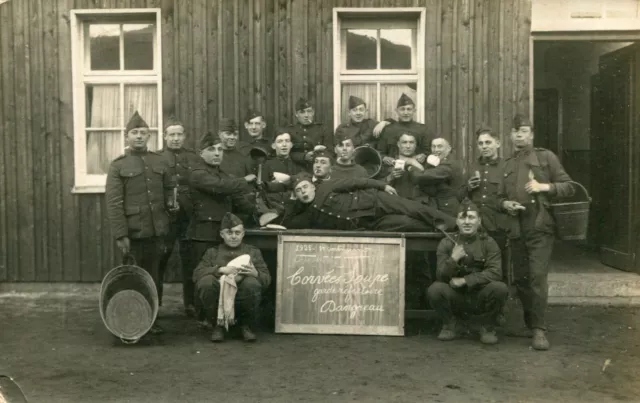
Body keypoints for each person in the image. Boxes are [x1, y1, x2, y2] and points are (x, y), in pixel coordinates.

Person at [498, 114, 574, 351]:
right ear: (510, 135)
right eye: (515, 131)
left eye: (523, 130)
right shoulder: (507, 163)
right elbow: (500, 197)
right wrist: (505, 205)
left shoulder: (545, 157)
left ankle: (539, 330)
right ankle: (530, 323)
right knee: (520, 279)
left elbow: (569, 186)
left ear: (531, 134)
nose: (519, 135)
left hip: (539, 226)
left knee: (537, 277)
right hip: (516, 227)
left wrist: (545, 187)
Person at [105, 111, 177, 335]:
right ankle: (131, 320)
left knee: (155, 275)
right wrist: (121, 235)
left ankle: (152, 317)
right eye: (134, 133)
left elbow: (169, 193)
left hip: (158, 230)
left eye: (143, 133)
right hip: (134, 233)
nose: (139, 136)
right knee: (133, 276)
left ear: (149, 136)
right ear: (126, 137)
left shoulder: (159, 161)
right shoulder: (118, 166)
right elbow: (114, 203)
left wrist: (171, 211)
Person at [185, 135, 263, 322]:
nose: (217, 153)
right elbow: (222, 187)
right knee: (204, 277)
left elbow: (238, 200)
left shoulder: (224, 176)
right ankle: (203, 318)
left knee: (226, 276)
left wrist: (261, 212)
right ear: (201, 153)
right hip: (202, 234)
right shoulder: (198, 174)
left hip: (223, 234)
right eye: (212, 149)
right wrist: (245, 180)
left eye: (220, 150)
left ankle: (224, 316)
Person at [279, 152, 457, 232]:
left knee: (412, 208)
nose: (303, 192)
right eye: (298, 191)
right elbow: (288, 221)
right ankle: (441, 229)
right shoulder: (309, 214)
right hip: (370, 223)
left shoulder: (326, 186)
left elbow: (357, 182)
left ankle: (453, 224)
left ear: (312, 185)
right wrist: (293, 199)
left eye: (304, 187)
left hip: (374, 200)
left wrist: (382, 186)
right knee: (407, 223)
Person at [427, 200, 509, 345]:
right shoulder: (446, 243)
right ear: (457, 222)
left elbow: (495, 273)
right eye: (462, 218)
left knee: (500, 288)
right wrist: (453, 259)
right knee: (435, 289)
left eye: (471, 217)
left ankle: (487, 327)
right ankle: (450, 325)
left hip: (480, 295)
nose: (467, 222)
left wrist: (466, 280)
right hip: (456, 296)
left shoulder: (488, 243)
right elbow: (440, 275)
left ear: (479, 221)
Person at [193, 212, 271, 342]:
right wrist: (220, 270)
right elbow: (197, 274)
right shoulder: (212, 252)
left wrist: (255, 273)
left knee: (252, 283)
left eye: (237, 232)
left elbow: (267, 279)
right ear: (221, 234)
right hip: (219, 297)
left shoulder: (252, 252)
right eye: (229, 233)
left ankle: (245, 325)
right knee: (206, 282)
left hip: (243, 293)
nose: (234, 236)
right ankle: (218, 325)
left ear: (243, 234)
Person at [157, 117, 205, 315]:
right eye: (172, 135)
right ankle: (155, 303)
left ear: (184, 136)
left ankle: (191, 304)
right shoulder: (157, 158)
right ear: (165, 136)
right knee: (160, 260)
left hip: (188, 217)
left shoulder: (194, 158)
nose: (176, 138)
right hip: (165, 218)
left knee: (190, 260)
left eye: (179, 135)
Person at [459, 125, 512, 286]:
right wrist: (468, 187)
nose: (484, 146)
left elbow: (511, 196)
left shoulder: (507, 166)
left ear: (498, 143)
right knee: (475, 268)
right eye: (481, 144)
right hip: (477, 229)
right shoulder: (472, 167)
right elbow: (460, 196)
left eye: (488, 142)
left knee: (498, 269)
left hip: (498, 227)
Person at [374, 93, 434, 168]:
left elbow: (430, 150)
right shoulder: (388, 130)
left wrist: (424, 155)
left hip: (417, 168)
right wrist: (384, 158)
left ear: (414, 111)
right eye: (402, 109)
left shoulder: (423, 129)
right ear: (396, 111)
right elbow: (380, 151)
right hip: (392, 168)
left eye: (409, 109)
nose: (406, 113)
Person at [410, 137, 464, 217]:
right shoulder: (437, 162)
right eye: (433, 146)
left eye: (439, 146)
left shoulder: (449, 164)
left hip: (447, 209)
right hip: (438, 207)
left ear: (448, 149)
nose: (436, 150)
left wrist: (411, 166)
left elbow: (421, 177)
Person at [259, 128, 307, 212]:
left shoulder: (299, 165)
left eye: (287, 141)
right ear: (273, 146)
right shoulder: (267, 165)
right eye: (280, 141)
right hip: (275, 208)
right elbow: (263, 191)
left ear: (291, 144)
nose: (284, 145)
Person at [288, 98, 334, 169]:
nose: (306, 115)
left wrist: (316, 155)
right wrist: (303, 157)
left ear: (313, 113)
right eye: (302, 112)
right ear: (296, 114)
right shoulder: (290, 131)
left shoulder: (323, 129)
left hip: (318, 168)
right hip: (296, 169)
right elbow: (287, 153)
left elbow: (330, 152)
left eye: (309, 111)